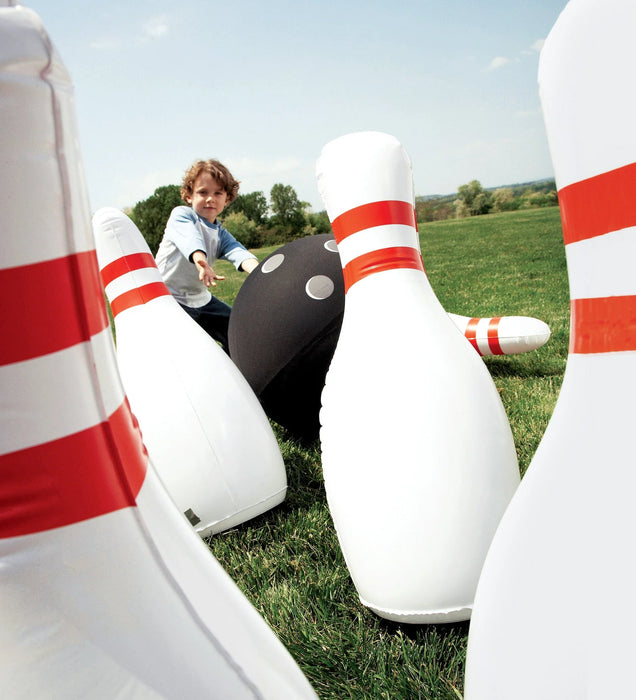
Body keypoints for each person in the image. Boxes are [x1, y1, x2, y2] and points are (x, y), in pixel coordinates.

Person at [155, 159, 259, 353]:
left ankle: (234, 376)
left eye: (218, 193)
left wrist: (260, 272)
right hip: (169, 299)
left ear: (226, 199)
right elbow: (190, 239)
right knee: (193, 350)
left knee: (239, 331)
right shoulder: (181, 216)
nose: (210, 198)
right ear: (189, 196)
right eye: (203, 192)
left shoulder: (220, 233)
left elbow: (238, 251)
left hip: (200, 299)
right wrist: (200, 261)